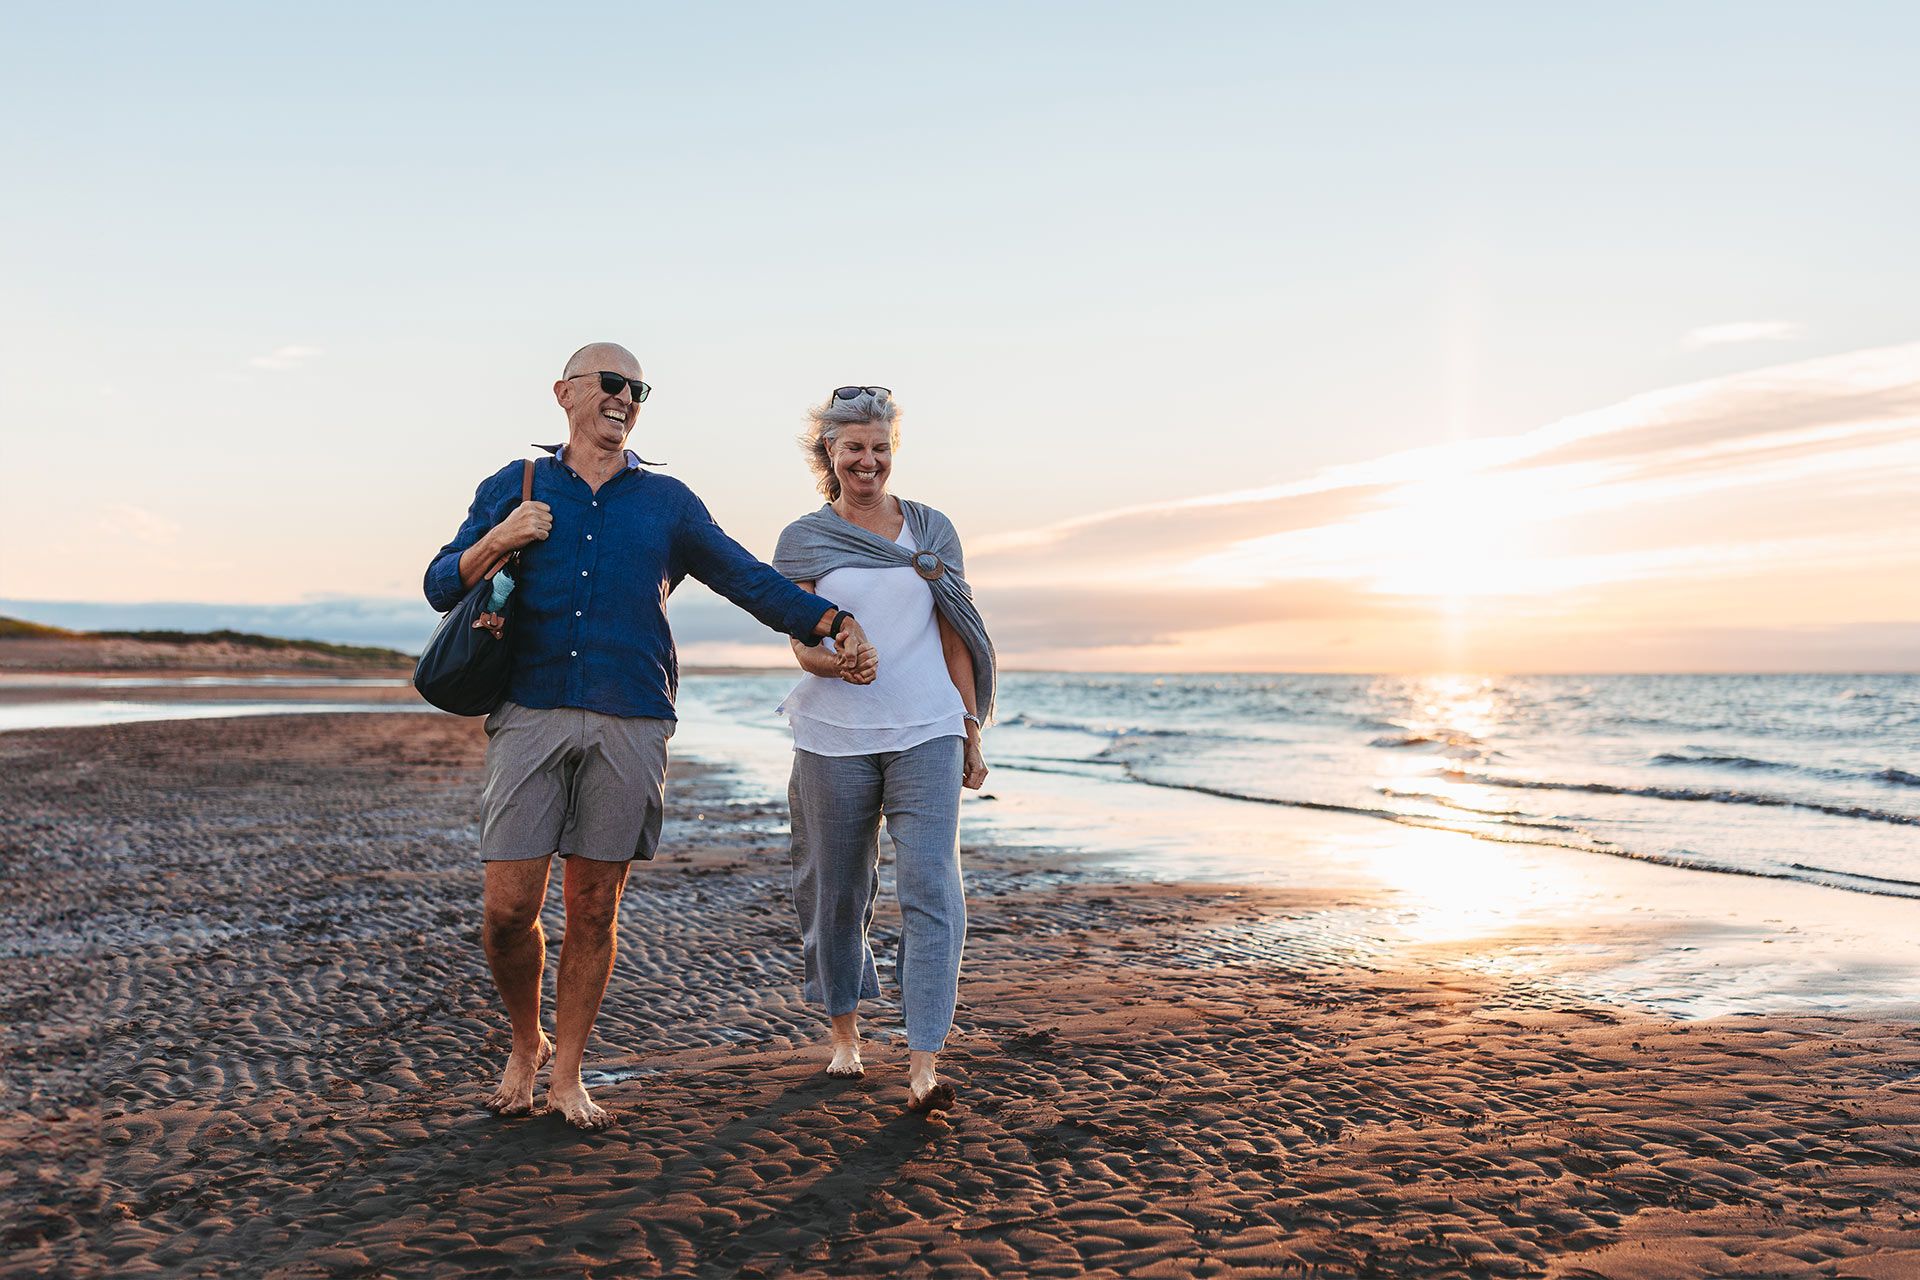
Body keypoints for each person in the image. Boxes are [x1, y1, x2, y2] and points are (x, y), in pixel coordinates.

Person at [423, 343, 874, 1130]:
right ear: (564, 392)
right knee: (507, 909)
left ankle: (566, 1074)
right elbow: (438, 583)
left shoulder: (666, 502)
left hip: (634, 716)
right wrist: (503, 537)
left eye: (639, 389)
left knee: (594, 907)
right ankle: (523, 1042)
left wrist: (828, 619)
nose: (626, 397)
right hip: (530, 710)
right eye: (612, 383)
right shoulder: (514, 485)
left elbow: (745, 577)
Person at [771, 386, 996, 1113]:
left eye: (879, 447)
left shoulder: (931, 529)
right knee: (838, 891)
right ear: (828, 454)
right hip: (833, 736)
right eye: (853, 447)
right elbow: (802, 641)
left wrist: (970, 726)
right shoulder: (803, 539)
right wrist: (838, 661)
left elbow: (955, 631)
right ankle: (845, 1037)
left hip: (927, 728)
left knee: (933, 890)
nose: (868, 460)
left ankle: (926, 1060)